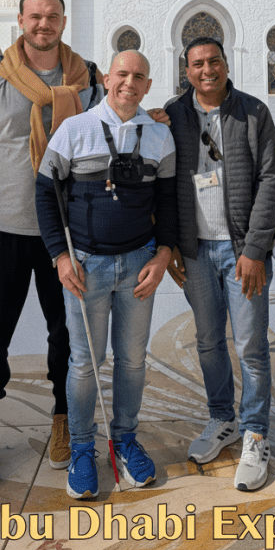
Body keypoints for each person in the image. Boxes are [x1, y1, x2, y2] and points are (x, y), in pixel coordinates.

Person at [0, 0, 102, 489]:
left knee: (67, 334)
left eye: (53, 16)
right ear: (20, 20)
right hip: (4, 228)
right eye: (35, 16)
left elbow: (112, 134)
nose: (44, 24)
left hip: (65, 231)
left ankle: (64, 419)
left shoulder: (87, 79)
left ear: (64, 20)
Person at [34, 50, 176, 498]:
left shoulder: (158, 137)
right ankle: (81, 448)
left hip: (137, 264)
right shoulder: (74, 129)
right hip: (87, 267)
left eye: (138, 77)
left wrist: (163, 255)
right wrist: (60, 255)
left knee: (132, 360)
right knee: (84, 363)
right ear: (106, 78)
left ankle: (124, 441)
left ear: (148, 85)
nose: (128, 83)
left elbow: (168, 203)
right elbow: (44, 193)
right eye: (121, 74)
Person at [164, 36, 275, 492]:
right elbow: (161, 180)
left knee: (251, 345)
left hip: (239, 251)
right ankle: (221, 420)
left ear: (226, 64)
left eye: (214, 61)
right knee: (209, 341)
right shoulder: (174, 115)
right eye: (197, 64)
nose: (206, 70)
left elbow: (270, 178)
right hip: (195, 251)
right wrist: (170, 244)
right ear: (186, 70)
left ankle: (255, 433)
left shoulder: (252, 113)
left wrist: (254, 249)